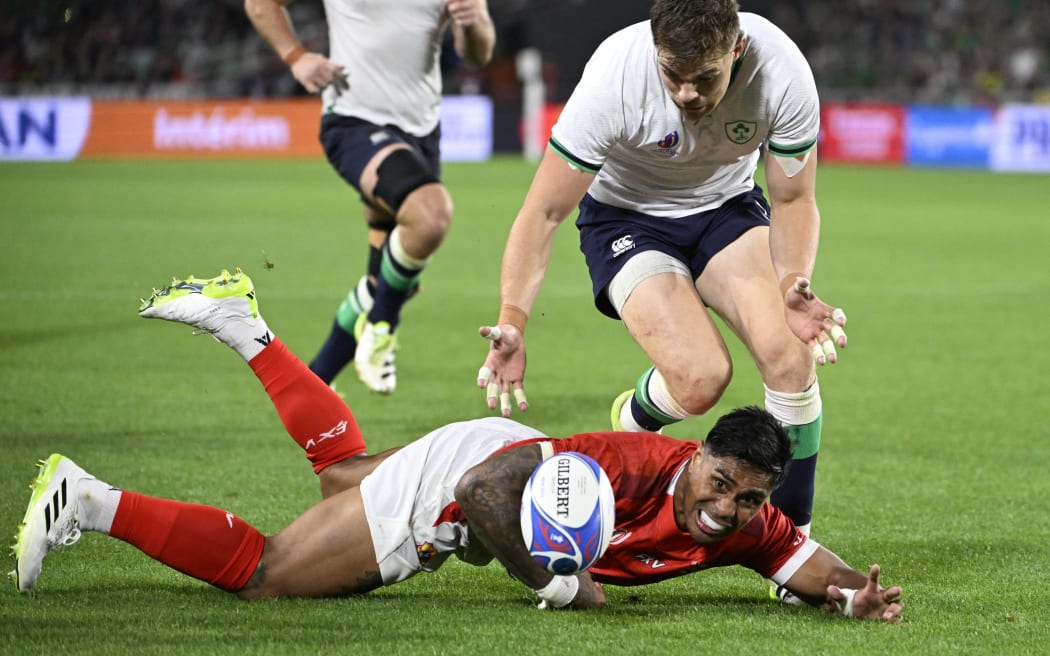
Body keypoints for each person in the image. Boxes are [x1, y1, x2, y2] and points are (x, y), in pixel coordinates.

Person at [11, 269, 901, 622]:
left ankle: (245, 325)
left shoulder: (748, 522)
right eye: (722, 481)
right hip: (485, 472)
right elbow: (482, 494)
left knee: (343, 484)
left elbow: (805, 560)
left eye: (747, 498)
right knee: (273, 571)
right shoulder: (629, 468)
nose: (727, 507)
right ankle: (85, 497)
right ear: (697, 453)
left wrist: (856, 594)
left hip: (504, 457)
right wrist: (553, 579)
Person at [475, 0, 846, 556]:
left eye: (706, 78)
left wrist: (794, 281)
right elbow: (543, 212)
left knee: (790, 356)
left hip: (726, 207)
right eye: (672, 75)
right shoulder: (614, 78)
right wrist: (512, 319)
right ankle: (637, 416)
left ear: (737, 49)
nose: (687, 95)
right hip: (624, 219)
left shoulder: (783, 73)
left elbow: (794, 196)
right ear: (655, 50)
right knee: (701, 380)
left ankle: (793, 546)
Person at [244, 0, 496, 394]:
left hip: (421, 133)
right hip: (354, 121)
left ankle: (309, 388)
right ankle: (382, 327)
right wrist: (295, 57)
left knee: (394, 279)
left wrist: (474, 23)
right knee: (429, 216)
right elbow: (260, 4)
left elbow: (477, 55)